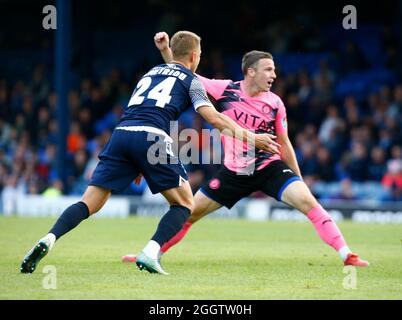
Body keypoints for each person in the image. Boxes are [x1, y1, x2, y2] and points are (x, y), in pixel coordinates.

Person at [20, 31, 279, 275]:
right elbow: (214, 118)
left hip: (121, 134)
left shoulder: (150, 73)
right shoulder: (191, 81)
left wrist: (137, 164)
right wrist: (253, 137)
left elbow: (152, 97)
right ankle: (150, 252)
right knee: (185, 204)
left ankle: (49, 237)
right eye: (199, 54)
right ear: (194, 56)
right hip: (151, 136)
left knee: (90, 203)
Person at [122, 32, 369, 267]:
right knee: (188, 214)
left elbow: (284, 143)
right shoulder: (225, 90)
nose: (274, 74)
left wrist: (298, 177)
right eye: (269, 69)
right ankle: (150, 253)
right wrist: (166, 50)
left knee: (309, 203)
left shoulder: (275, 103)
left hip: (269, 167)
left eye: (274, 69)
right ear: (251, 72)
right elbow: (182, 74)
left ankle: (347, 254)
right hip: (234, 172)